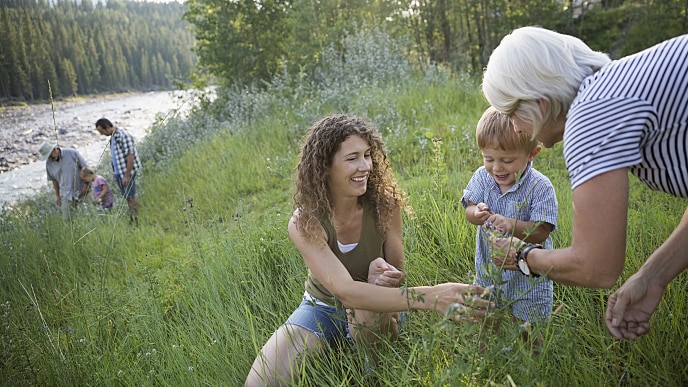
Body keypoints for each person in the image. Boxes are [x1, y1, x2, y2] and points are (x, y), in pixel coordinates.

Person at [245, 114, 493, 386]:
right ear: (325, 166)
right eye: (352, 158)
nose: (364, 166)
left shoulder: (385, 204)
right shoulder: (305, 221)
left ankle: (375, 370)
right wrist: (434, 296)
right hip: (322, 307)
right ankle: (338, 343)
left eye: (367, 155)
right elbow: (345, 292)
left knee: (365, 312)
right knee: (261, 382)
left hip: (376, 309)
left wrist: (386, 275)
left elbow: (398, 272)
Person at [481, 26, 688, 340]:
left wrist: (524, 257)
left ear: (541, 104)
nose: (513, 126)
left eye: (511, 113)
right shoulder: (616, 86)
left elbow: (597, 267)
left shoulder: (590, 116)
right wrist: (652, 277)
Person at [462, 107, 558, 329]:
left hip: (528, 276)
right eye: (489, 158)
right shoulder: (482, 177)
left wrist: (510, 224)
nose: (497, 168)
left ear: (532, 154)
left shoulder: (540, 187)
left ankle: (529, 360)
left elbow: (542, 231)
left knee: (528, 329)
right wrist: (476, 214)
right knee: (485, 321)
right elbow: (469, 207)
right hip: (489, 272)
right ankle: (487, 361)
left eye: (507, 160)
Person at [95, 118, 142, 225]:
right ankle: (132, 217)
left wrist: (127, 175)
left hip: (126, 173)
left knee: (131, 196)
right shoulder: (113, 138)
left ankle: (135, 220)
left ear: (107, 127)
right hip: (119, 173)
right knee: (127, 196)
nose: (102, 134)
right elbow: (116, 157)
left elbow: (131, 156)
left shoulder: (123, 136)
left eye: (102, 131)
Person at [38, 142, 89, 221]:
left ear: (54, 150)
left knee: (88, 215)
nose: (49, 158)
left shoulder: (71, 153)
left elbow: (85, 168)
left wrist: (86, 185)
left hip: (82, 190)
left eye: (49, 156)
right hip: (66, 194)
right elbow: (54, 180)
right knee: (67, 220)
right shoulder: (48, 164)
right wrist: (58, 196)